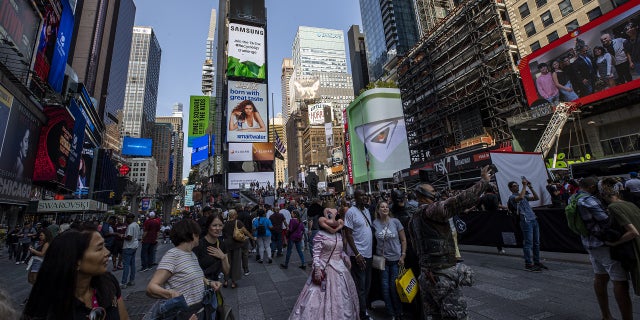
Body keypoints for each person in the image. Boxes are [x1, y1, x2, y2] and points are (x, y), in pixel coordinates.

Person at [408, 165, 493, 319]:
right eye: (433, 192)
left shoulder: (413, 218)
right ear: (423, 194)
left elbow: (416, 247)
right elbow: (457, 202)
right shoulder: (430, 210)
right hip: (442, 276)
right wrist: (483, 182)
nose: (436, 193)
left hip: (427, 275)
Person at [22, 225, 129, 319]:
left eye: (104, 246)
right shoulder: (48, 307)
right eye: (99, 248)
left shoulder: (108, 282)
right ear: (75, 260)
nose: (107, 253)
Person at [288, 205, 359, 319]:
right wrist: (317, 268)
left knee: (343, 295)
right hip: (324, 269)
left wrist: (345, 256)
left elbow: (339, 250)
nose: (333, 220)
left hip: (339, 268)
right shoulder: (320, 235)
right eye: (329, 216)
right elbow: (316, 254)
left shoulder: (338, 235)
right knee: (317, 295)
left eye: (337, 217)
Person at [576, 177, 631, 320]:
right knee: (620, 281)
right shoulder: (588, 200)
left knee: (600, 277)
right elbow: (606, 220)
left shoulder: (574, 198)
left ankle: (606, 315)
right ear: (593, 187)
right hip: (604, 244)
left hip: (590, 244)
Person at [147, 219, 223, 319]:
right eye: (197, 234)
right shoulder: (173, 255)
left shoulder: (191, 254)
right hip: (183, 314)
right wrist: (170, 294)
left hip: (198, 311)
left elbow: (195, 277)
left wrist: (210, 283)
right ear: (191, 235)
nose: (199, 237)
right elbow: (151, 288)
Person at [601, 182, 640, 300]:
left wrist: (615, 243)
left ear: (604, 195)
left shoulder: (613, 207)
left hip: (635, 249)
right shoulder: (630, 204)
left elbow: (633, 232)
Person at [372, 201, 406, 319]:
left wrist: (403, 255)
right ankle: (391, 313)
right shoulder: (374, 224)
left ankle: (399, 311)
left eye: (386, 206)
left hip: (396, 260)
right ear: (378, 210)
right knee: (385, 288)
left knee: (394, 287)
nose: (385, 208)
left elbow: (403, 240)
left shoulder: (395, 222)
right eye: (382, 207)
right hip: (382, 261)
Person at [344, 189, 374, 320]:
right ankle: (362, 314)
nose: (364, 197)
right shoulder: (351, 212)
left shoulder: (366, 210)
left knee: (367, 284)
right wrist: (357, 254)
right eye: (361, 195)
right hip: (358, 255)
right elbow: (348, 233)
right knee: (360, 286)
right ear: (355, 197)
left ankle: (363, 308)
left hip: (369, 254)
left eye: (365, 194)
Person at [508, 177, 546, 272]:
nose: (517, 187)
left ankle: (536, 262)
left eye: (517, 185)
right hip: (525, 221)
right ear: (510, 189)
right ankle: (528, 264)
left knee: (536, 242)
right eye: (514, 186)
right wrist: (524, 186)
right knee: (528, 243)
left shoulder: (523, 195)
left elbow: (536, 198)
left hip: (533, 219)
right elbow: (520, 197)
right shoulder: (512, 197)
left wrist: (530, 187)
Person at [221, 209, 253, 288]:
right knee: (236, 263)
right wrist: (252, 237)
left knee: (227, 263)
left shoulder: (225, 223)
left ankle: (225, 280)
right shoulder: (238, 222)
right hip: (236, 244)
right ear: (235, 215)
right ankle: (233, 282)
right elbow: (245, 231)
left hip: (227, 245)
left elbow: (223, 234)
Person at [121, 214, 141, 289]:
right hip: (134, 246)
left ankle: (124, 282)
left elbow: (129, 238)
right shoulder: (136, 225)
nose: (126, 220)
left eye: (127, 218)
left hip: (128, 246)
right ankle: (132, 280)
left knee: (126, 265)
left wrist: (122, 236)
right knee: (132, 264)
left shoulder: (130, 226)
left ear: (130, 218)